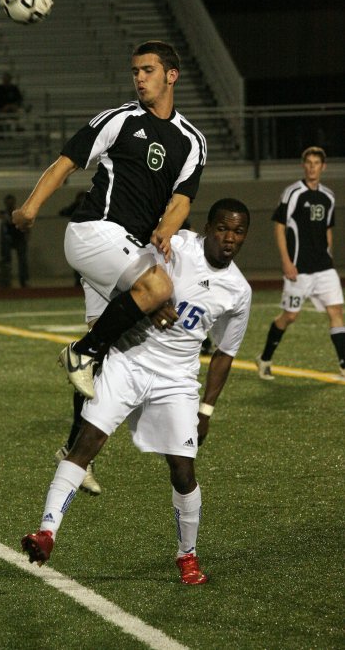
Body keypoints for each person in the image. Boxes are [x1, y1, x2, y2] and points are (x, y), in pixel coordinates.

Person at [21, 198, 252, 585]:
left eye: (238, 232)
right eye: (223, 229)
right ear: (207, 228)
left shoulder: (239, 291)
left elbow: (225, 354)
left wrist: (207, 409)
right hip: (129, 359)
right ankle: (46, 533)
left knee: (183, 470)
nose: (229, 238)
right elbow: (127, 271)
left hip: (177, 380)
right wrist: (151, 301)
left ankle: (187, 556)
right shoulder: (174, 245)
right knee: (87, 440)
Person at [13, 40, 207, 400]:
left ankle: (76, 452)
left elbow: (182, 200)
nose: (140, 78)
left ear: (172, 75)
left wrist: (165, 230)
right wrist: (30, 208)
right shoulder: (120, 119)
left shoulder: (191, 140)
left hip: (128, 249)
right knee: (158, 290)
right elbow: (66, 163)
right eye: (135, 71)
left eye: (148, 70)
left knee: (111, 345)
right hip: (95, 232)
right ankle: (80, 352)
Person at [256, 146, 344, 379]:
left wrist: (329, 256)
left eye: (317, 163)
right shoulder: (292, 193)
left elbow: (327, 230)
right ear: (304, 165)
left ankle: (344, 364)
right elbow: (279, 226)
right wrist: (286, 261)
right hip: (299, 267)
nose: (312, 166)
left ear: (323, 167)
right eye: (309, 162)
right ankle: (264, 359)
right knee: (290, 316)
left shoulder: (329, 196)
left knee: (336, 311)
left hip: (324, 267)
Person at [0, 194, 29, 288]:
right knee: (6, 260)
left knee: (22, 260)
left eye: (11, 203)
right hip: (7, 240)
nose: (10, 205)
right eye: (8, 203)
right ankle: (6, 281)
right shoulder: (2, 214)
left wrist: (27, 235)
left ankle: (24, 280)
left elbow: (26, 225)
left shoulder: (20, 212)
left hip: (19, 238)